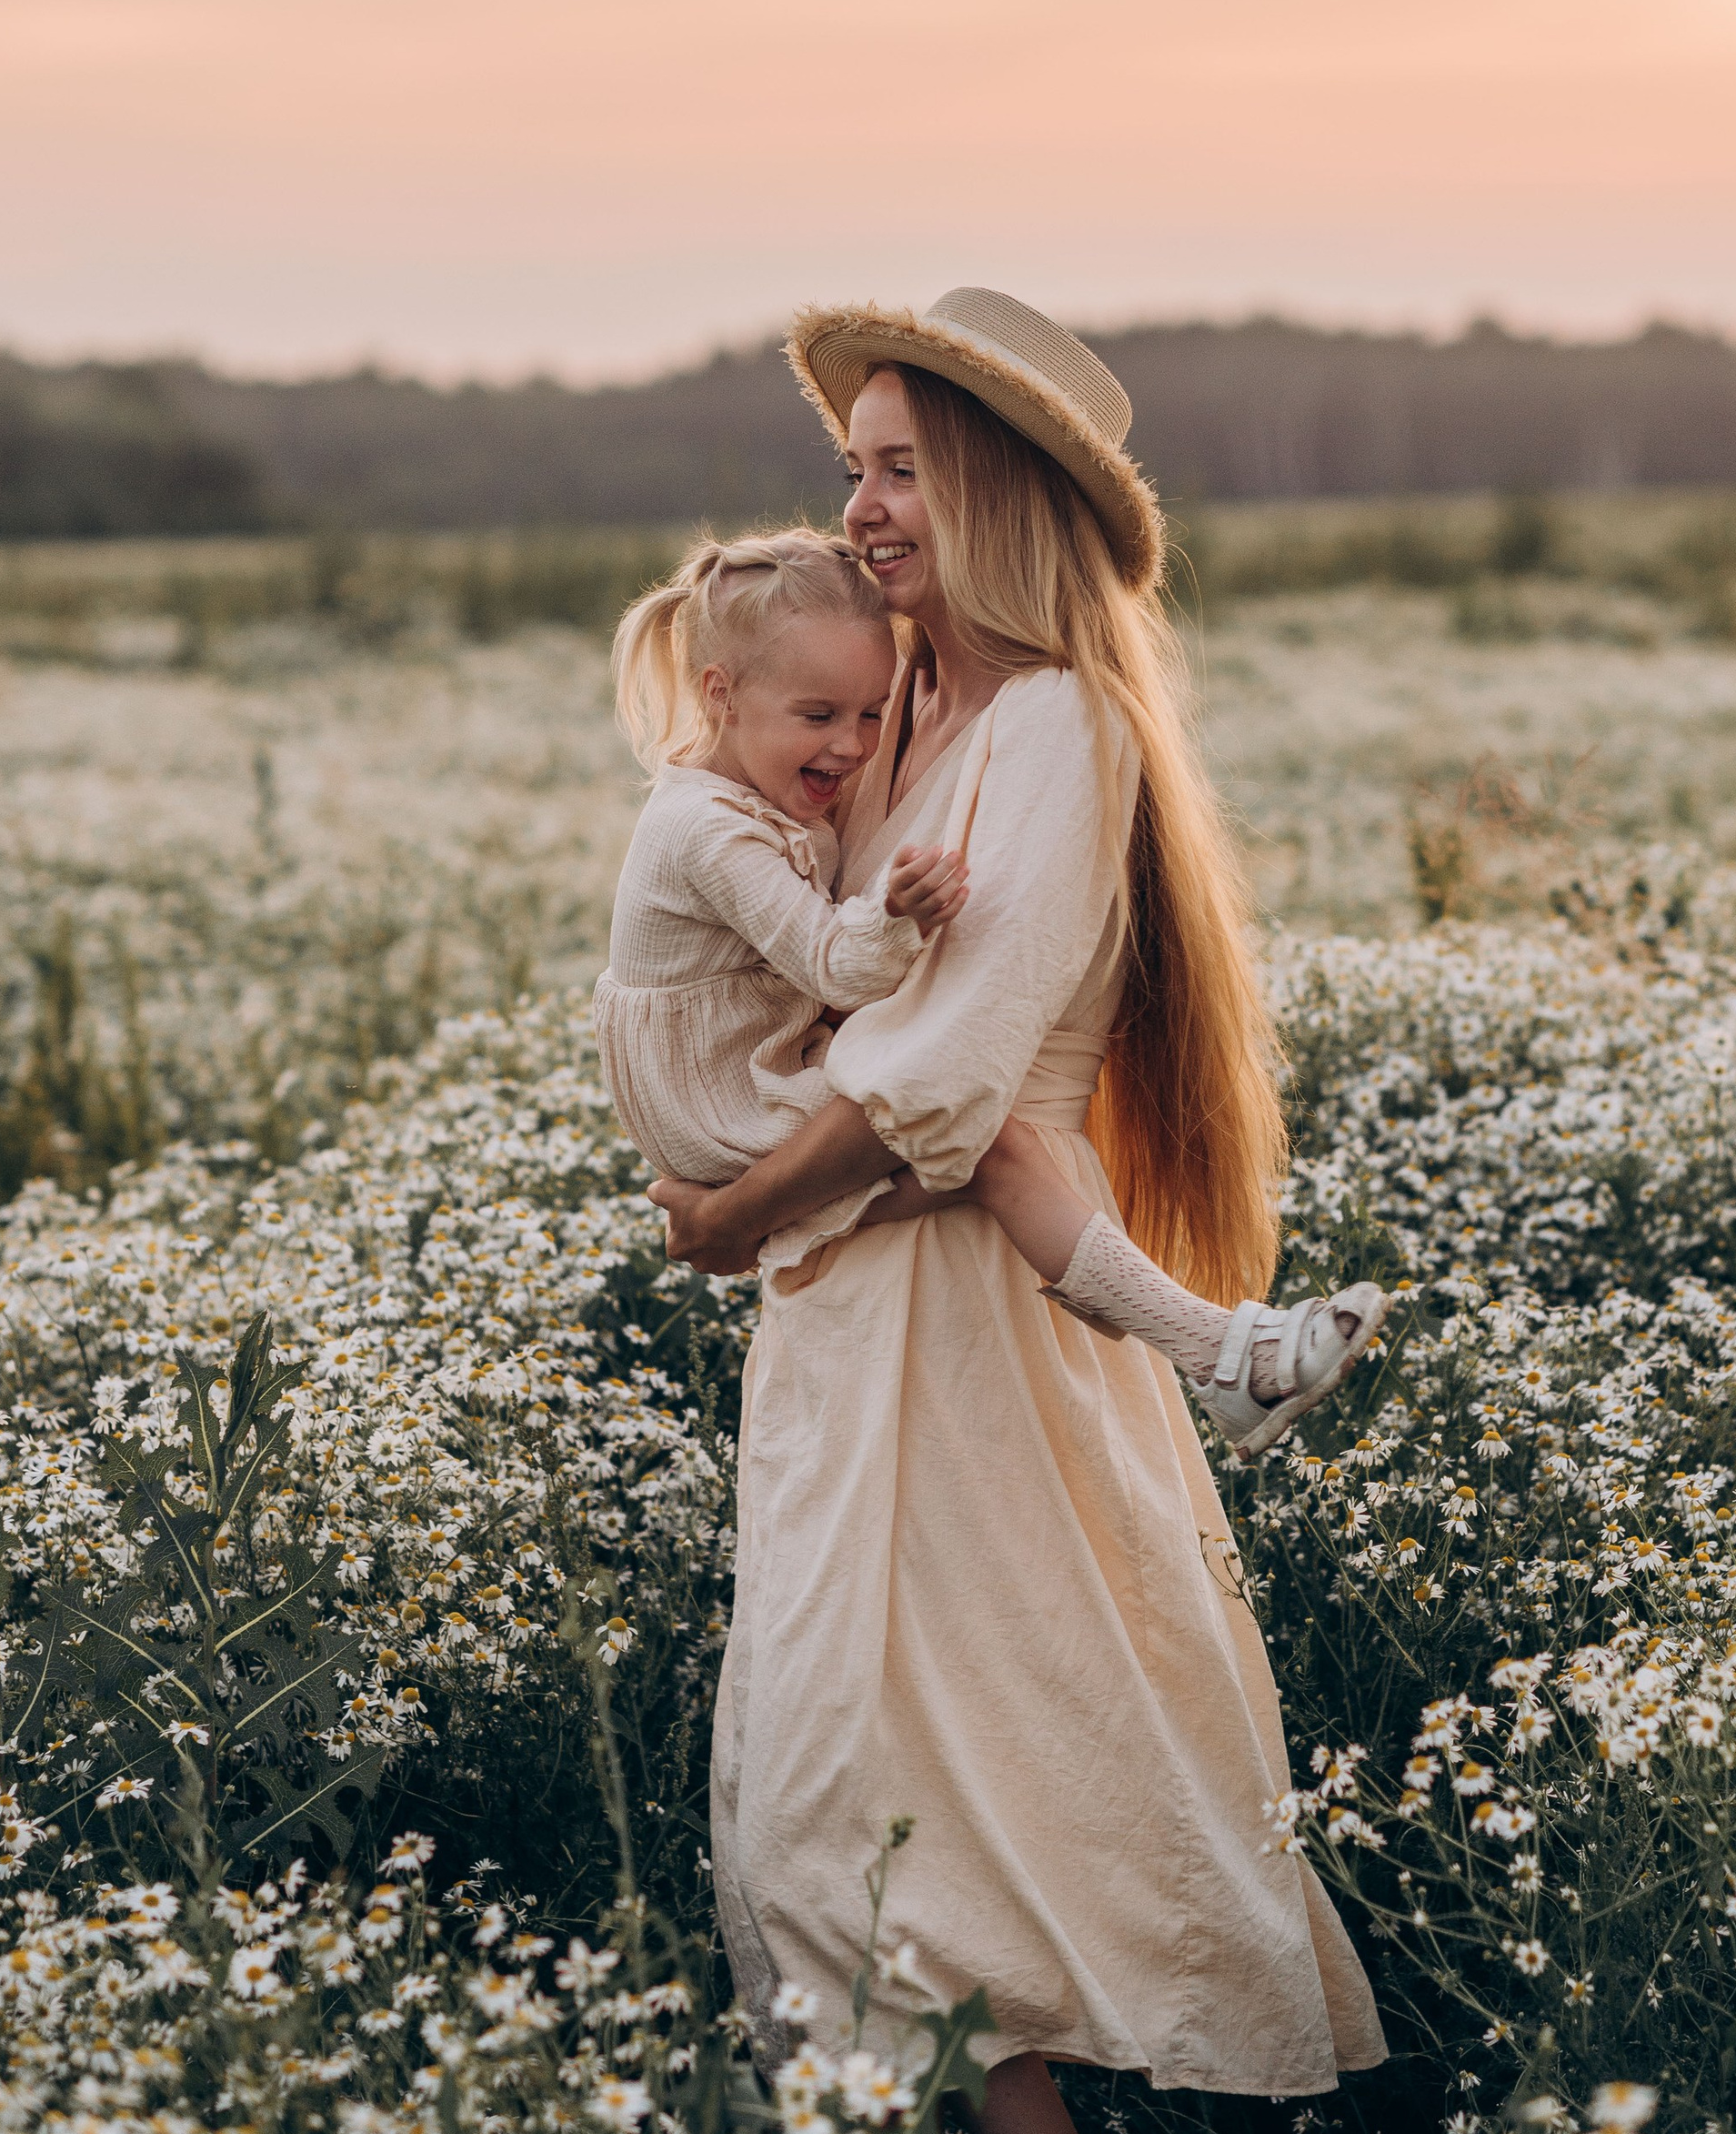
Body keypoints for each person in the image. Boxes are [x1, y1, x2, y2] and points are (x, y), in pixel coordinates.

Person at [649, 289, 1386, 2134]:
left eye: (892, 464)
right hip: (849, 1333)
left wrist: (720, 1208)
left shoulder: (1053, 722)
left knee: (899, 1840)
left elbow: (954, 1071)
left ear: (986, 486)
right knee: (815, 1854)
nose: (854, 500)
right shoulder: (892, 720)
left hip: (966, 1338)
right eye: (851, 461)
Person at [596, 528, 1390, 1455]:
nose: (851, 745)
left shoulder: (748, 790)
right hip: (715, 1100)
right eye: (819, 715)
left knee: (943, 1142)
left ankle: (1219, 1356)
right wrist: (899, 914)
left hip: (738, 1072)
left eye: (869, 714)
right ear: (718, 692)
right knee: (988, 1147)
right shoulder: (710, 831)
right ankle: (1220, 1352)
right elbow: (835, 965)